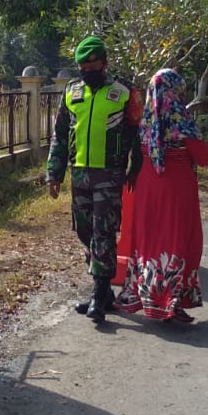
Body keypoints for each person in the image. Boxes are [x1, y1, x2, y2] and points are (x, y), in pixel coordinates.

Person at [115, 68, 208, 323]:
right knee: (177, 237)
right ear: (175, 89)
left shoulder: (147, 116)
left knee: (149, 239)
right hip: (175, 186)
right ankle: (170, 301)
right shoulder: (178, 115)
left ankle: (144, 295)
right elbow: (197, 150)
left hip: (147, 184)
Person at [45, 35, 143, 323]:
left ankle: (99, 295)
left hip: (109, 173)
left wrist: (135, 166)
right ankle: (105, 294)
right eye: (82, 67)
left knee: (104, 231)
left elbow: (138, 132)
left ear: (104, 63)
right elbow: (60, 135)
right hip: (80, 172)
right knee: (84, 231)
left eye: (93, 65)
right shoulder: (72, 92)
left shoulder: (124, 91)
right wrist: (54, 172)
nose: (87, 72)